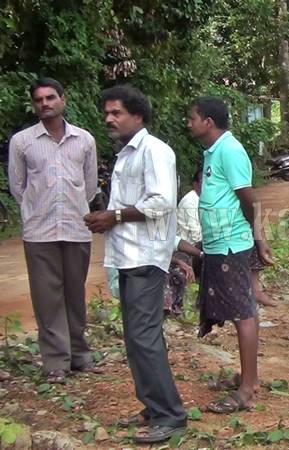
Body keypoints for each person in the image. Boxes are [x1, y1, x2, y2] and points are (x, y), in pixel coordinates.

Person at [84, 85, 186, 443]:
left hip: (146, 256)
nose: (108, 119)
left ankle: (171, 416)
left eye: (117, 113)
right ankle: (153, 406)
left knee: (144, 336)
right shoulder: (126, 154)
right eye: (107, 113)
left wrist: (113, 216)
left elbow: (161, 202)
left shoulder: (154, 150)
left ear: (138, 116)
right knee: (135, 337)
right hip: (127, 255)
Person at [8, 77, 100, 385]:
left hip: (76, 227)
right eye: (39, 99)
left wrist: (74, 206)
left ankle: (80, 355)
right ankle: (55, 362)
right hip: (40, 231)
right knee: (47, 298)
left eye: (50, 97)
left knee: (75, 294)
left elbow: (89, 186)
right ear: (34, 105)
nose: (45, 103)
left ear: (63, 99)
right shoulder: (22, 142)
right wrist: (36, 208)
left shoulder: (84, 140)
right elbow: (18, 186)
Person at [187, 96, 273, 413]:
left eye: (192, 118)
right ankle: (249, 378)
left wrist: (258, 239)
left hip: (230, 244)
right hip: (218, 244)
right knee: (241, 310)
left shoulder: (230, 150)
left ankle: (247, 389)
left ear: (208, 122)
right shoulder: (214, 151)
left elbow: (249, 200)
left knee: (243, 313)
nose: (188, 123)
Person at [177, 168, 203, 244]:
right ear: (195, 185)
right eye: (203, 181)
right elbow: (197, 237)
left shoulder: (206, 200)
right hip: (188, 246)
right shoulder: (189, 202)